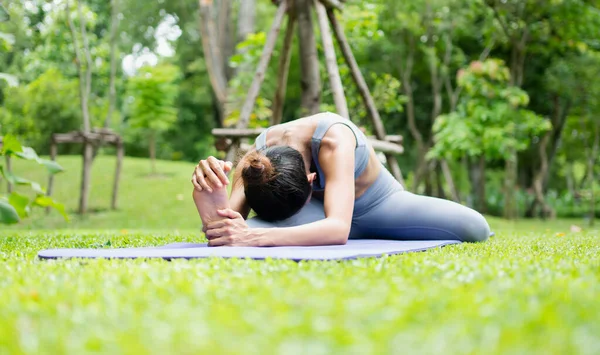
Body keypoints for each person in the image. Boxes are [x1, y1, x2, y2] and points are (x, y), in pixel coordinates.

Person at [191, 112, 491, 247]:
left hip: (379, 206)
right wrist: (210, 192)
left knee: (475, 227)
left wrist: (256, 237)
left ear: (311, 180)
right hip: (313, 217)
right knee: (233, 237)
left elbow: (337, 229)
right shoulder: (256, 159)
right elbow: (229, 225)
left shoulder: (334, 140)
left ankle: (327, 232)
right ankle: (312, 231)